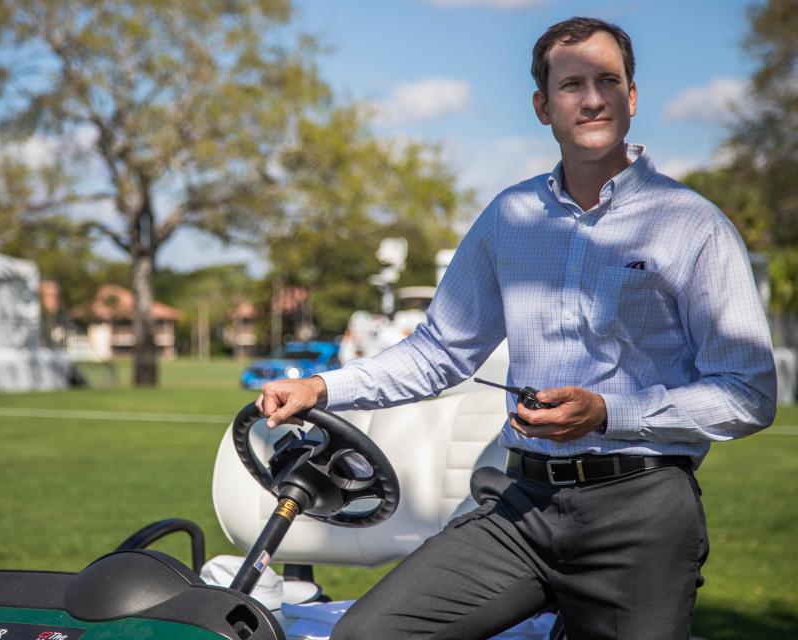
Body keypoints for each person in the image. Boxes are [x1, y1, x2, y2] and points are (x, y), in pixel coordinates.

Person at [256, 16, 777, 640]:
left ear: (632, 98)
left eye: (608, 81)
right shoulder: (510, 216)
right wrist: (321, 389)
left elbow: (748, 392)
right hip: (519, 507)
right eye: (571, 84)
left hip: (642, 511)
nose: (591, 99)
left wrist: (608, 413)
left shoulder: (694, 225)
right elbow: (439, 351)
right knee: (369, 634)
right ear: (542, 106)